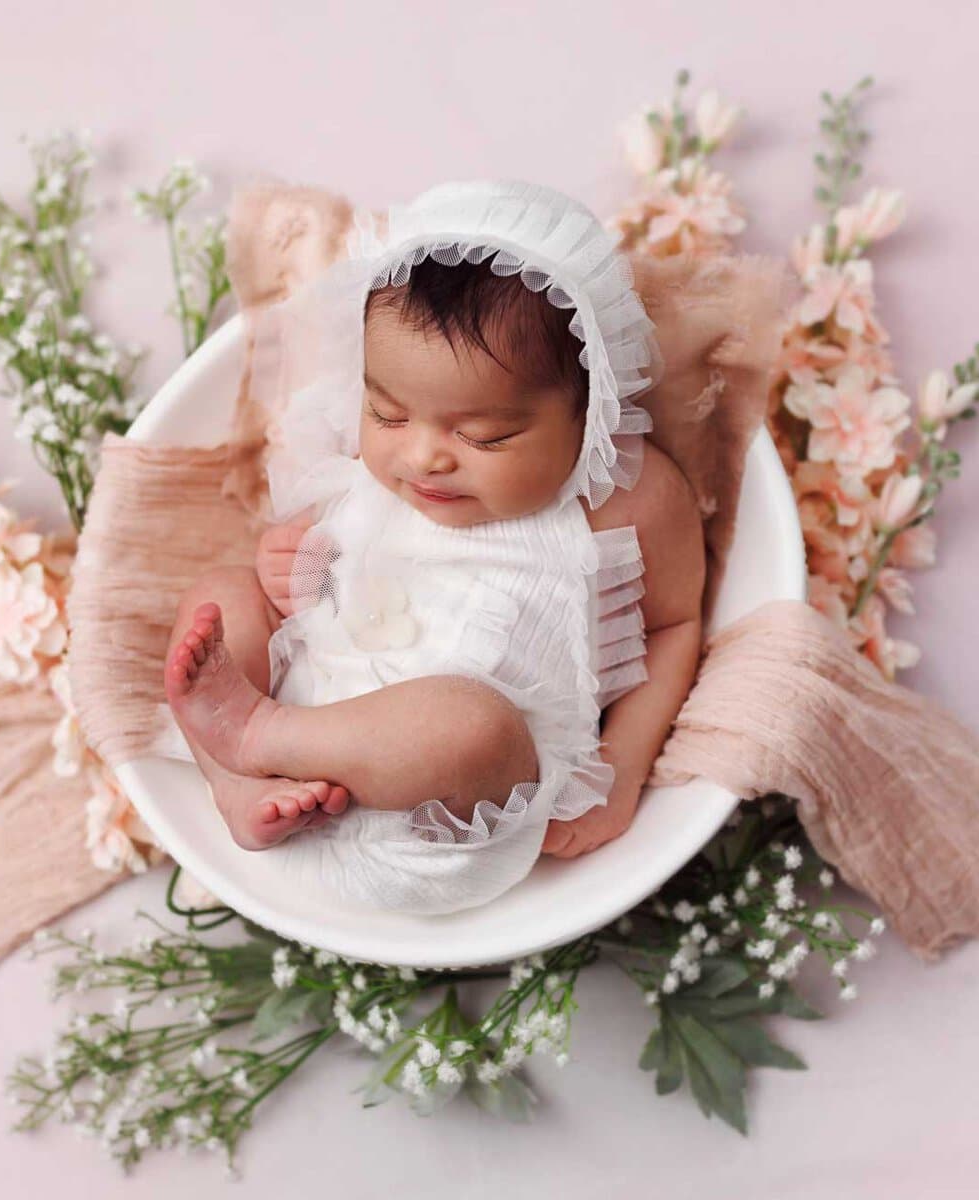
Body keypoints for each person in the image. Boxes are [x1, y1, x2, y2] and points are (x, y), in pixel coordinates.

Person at [161, 179, 706, 913]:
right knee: (221, 597)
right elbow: (306, 579)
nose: (421, 458)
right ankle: (233, 780)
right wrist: (283, 562)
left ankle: (257, 736)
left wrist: (621, 770)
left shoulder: (626, 500)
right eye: (385, 413)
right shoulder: (360, 461)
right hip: (286, 791)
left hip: (443, 820)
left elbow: (674, 625)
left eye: (484, 437)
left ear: (592, 404)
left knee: (469, 723)